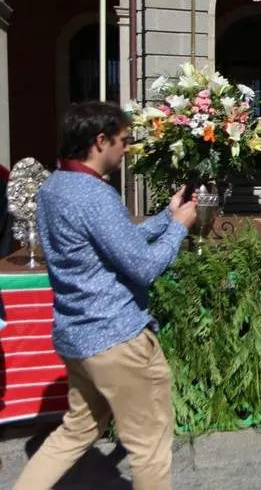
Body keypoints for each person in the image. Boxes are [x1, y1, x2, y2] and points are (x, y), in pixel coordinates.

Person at [14, 102, 197, 490]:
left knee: (74, 433)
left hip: (77, 336)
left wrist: (167, 215)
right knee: (150, 447)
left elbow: (119, 242)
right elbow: (144, 266)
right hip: (117, 340)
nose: (127, 149)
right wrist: (180, 229)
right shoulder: (94, 195)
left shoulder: (54, 187)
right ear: (101, 141)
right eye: (124, 141)